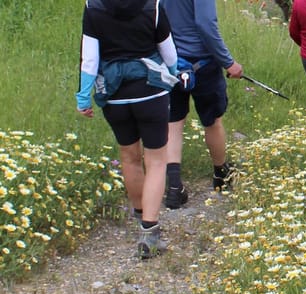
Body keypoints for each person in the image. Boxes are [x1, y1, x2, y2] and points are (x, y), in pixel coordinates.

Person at [76, 0, 178, 259]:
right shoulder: (153, 5)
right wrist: (174, 76)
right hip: (151, 91)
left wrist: (83, 97)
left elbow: (89, 59)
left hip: (114, 95)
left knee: (129, 157)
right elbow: (169, 54)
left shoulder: (93, 7)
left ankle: (140, 215)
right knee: (155, 161)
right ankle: (150, 232)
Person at [163, 0, 244, 209]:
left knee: (173, 124)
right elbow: (205, 24)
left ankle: (174, 187)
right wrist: (228, 62)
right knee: (213, 122)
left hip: (171, 61)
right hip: (203, 64)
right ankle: (221, 175)